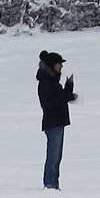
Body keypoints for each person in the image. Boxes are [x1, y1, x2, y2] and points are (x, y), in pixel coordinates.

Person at [36, 49, 77, 189]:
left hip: (57, 122)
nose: (61, 67)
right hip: (53, 123)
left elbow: (59, 97)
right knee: (53, 156)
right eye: (59, 64)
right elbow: (49, 102)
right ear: (53, 65)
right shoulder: (46, 82)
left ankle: (53, 183)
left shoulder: (52, 81)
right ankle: (50, 183)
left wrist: (68, 89)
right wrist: (66, 96)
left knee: (57, 156)